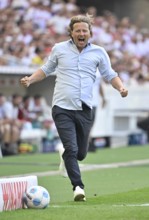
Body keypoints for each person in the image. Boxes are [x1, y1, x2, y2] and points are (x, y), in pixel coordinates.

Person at [20, 14, 128, 202]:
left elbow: (110, 74)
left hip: (85, 108)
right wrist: (30, 78)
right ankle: (78, 187)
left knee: (81, 154)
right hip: (62, 107)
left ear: (90, 33)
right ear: (71, 33)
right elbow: (46, 69)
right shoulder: (59, 49)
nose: (81, 33)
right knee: (71, 148)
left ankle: (65, 156)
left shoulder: (99, 52)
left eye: (84, 31)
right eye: (77, 30)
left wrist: (121, 87)